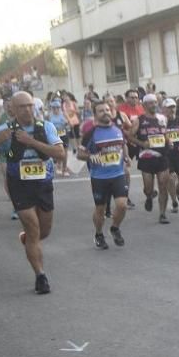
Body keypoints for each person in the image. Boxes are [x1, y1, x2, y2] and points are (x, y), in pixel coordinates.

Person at [0, 91, 65, 294]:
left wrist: (31, 141)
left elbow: (60, 154)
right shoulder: (3, 129)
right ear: (13, 109)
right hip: (19, 185)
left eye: (29, 105)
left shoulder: (46, 127)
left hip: (43, 184)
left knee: (44, 231)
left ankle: (27, 240)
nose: (27, 110)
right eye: (21, 107)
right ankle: (40, 275)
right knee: (34, 229)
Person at [76, 101, 130, 249]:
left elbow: (123, 143)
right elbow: (79, 154)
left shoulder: (118, 129)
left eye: (107, 109)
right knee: (100, 209)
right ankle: (99, 234)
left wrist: (126, 157)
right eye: (101, 111)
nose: (106, 112)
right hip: (99, 177)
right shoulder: (91, 133)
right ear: (95, 115)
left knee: (122, 205)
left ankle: (115, 228)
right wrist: (91, 157)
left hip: (118, 174)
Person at [130, 94, 172, 224]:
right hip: (146, 157)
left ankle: (162, 214)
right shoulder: (139, 120)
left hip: (162, 156)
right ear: (144, 105)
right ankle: (149, 196)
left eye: (155, 102)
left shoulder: (163, 118)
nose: (154, 105)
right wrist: (142, 144)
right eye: (150, 103)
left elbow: (165, 134)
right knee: (148, 188)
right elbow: (130, 136)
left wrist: (168, 141)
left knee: (163, 186)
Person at [162, 98, 179, 212]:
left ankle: (177, 190)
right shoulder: (161, 122)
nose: (172, 110)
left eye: (173, 107)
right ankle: (174, 202)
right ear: (164, 109)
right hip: (167, 155)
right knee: (171, 178)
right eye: (169, 108)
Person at [47, 99, 71, 177]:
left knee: (65, 153)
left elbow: (69, 124)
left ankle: (64, 169)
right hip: (55, 136)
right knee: (58, 152)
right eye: (54, 108)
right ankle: (59, 166)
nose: (55, 109)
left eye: (57, 107)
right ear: (52, 108)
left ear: (59, 108)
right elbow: (47, 125)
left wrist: (67, 124)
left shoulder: (63, 114)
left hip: (64, 135)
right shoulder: (49, 115)